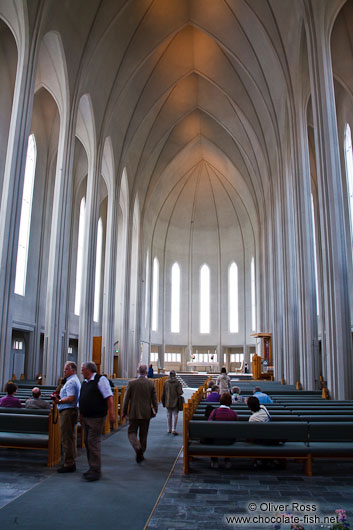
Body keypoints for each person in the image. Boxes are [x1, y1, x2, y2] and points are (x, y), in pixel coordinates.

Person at [79, 361, 115, 481]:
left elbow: (109, 396)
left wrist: (111, 413)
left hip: (96, 417)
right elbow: (82, 399)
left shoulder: (101, 380)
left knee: (93, 442)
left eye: (83, 369)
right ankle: (91, 467)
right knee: (87, 442)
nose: (81, 371)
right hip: (86, 417)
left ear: (89, 370)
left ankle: (95, 470)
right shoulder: (85, 382)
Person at [122, 364, 158, 463]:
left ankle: (137, 448)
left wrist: (124, 411)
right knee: (144, 434)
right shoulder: (151, 383)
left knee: (131, 432)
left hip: (133, 412)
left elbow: (126, 399)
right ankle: (141, 452)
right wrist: (155, 409)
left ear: (138, 372)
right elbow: (154, 399)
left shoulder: (131, 383)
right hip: (146, 412)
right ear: (146, 372)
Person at [54, 361, 80, 473]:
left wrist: (58, 400)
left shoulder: (72, 382)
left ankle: (69, 463)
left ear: (72, 370)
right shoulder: (72, 380)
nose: (64, 371)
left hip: (68, 411)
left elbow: (71, 398)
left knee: (66, 437)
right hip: (69, 410)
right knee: (69, 436)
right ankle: (70, 461)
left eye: (66, 369)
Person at [208, 392, 238, 469]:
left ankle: (214, 461)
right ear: (230, 402)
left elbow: (208, 425)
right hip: (229, 440)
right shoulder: (233, 413)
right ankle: (227, 460)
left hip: (215, 439)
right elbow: (236, 427)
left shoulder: (214, 412)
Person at [161, 370, 183, 435]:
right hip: (175, 400)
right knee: (175, 414)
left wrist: (163, 400)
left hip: (168, 400)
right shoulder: (177, 382)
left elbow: (163, 392)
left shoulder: (166, 382)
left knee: (168, 414)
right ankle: (174, 429)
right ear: (175, 375)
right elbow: (180, 392)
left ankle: (169, 429)